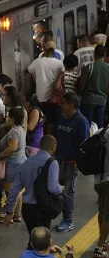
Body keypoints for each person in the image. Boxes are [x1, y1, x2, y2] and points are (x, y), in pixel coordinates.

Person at [4, 135, 61, 258]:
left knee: (35, 247)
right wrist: (61, 190)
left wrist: (9, 212)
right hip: (42, 210)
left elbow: (14, 190)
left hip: (27, 210)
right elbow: (52, 187)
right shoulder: (52, 163)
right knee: (36, 249)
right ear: (53, 147)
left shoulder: (27, 163)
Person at [54, 92, 90, 232]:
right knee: (54, 188)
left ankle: (68, 221)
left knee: (68, 192)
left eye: (65, 103)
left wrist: (77, 162)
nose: (63, 105)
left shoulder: (81, 122)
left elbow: (84, 145)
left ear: (72, 105)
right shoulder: (62, 117)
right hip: (59, 159)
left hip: (71, 161)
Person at [0, 108, 27, 224]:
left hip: (14, 163)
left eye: (8, 116)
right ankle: (17, 215)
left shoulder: (14, 131)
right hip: (20, 161)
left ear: (12, 118)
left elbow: (12, 147)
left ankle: (9, 214)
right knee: (16, 190)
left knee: (10, 190)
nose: (6, 118)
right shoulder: (21, 129)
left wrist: (1, 154)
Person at [28, 42, 64, 131]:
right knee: (51, 121)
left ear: (44, 49)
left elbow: (29, 70)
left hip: (40, 97)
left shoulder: (38, 62)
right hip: (53, 99)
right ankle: (49, 139)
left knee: (41, 120)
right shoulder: (59, 63)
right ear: (54, 51)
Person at [80, 46, 109, 128]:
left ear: (94, 54)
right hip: (102, 101)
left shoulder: (89, 67)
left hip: (88, 100)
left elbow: (82, 86)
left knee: (87, 125)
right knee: (99, 126)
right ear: (105, 55)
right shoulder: (108, 68)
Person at [94, 126, 109, 258]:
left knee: (102, 212)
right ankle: (99, 247)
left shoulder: (100, 132)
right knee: (108, 216)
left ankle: (103, 241)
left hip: (98, 180)